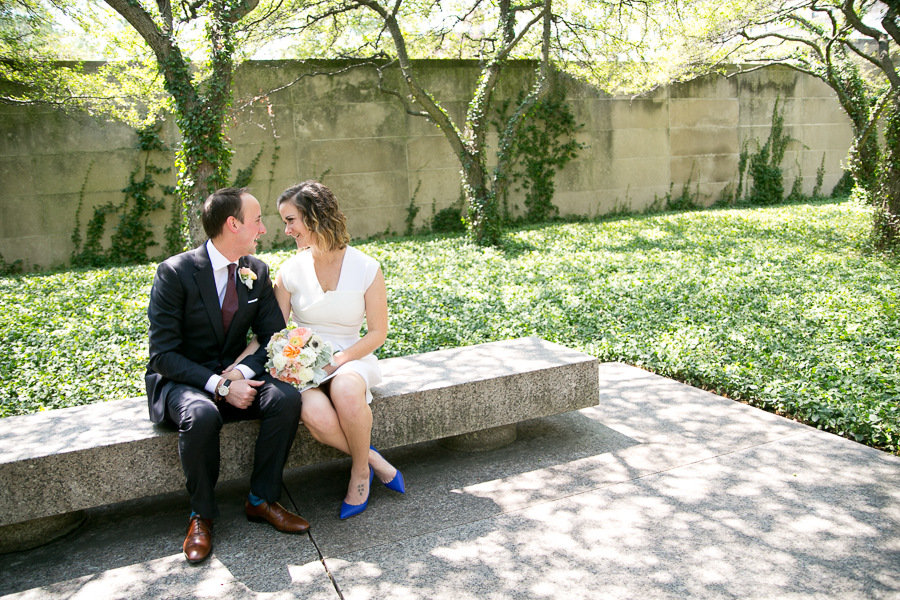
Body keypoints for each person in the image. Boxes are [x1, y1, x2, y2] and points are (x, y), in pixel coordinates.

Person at [145, 187, 311, 565]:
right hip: (184, 381)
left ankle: (262, 500)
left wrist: (239, 372)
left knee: (286, 398)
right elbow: (162, 355)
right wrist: (220, 385)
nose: (263, 230)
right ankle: (200, 515)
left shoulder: (257, 270)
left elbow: (273, 339)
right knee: (201, 415)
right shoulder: (175, 273)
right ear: (232, 224)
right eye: (256, 221)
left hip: (236, 372)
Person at [230, 180, 404, 519]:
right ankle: (373, 461)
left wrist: (337, 361)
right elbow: (271, 331)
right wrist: (236, 367)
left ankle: (358, 476)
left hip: (352, 355)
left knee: (347, 389)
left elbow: (378, 333)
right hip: (303, 362)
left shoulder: (367, 267)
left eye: (291, 219)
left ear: (315, 216)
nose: (286, 229)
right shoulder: (290, 270)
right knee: (316, 416)